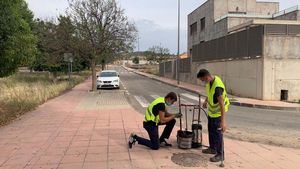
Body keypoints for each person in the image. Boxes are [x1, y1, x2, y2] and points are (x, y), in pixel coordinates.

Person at [197, 69, 230, 162]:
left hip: (219, 113)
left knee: (217, 134)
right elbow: (209, 93)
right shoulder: (210, 82)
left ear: (206, 77)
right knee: (211, 130)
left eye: (203, 80)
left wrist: (223, 122)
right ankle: (212, 148)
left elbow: (222, 105)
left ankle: (220, 154)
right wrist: (206, 101)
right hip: (212, 112)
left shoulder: (218, 88)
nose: (203, 82)